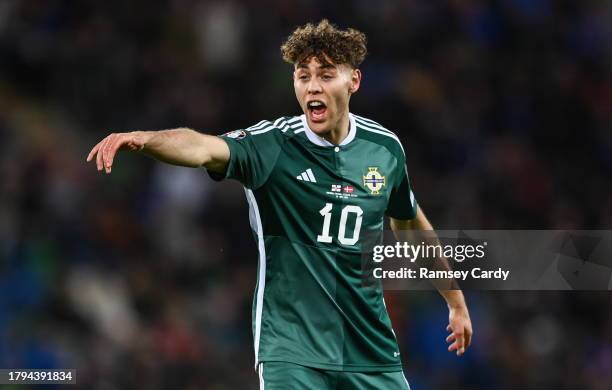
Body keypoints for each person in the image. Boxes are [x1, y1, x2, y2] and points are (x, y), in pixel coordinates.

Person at [86, 19, 472, 390]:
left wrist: (454, 299)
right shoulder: (272, 146)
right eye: (303, 76)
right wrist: (145, 138)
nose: (312, 87)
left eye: (325, 74)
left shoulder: (384, 148)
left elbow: (408, 223)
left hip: (368, 349)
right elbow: (203, 147)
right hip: (292, 349)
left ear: (353, 80)